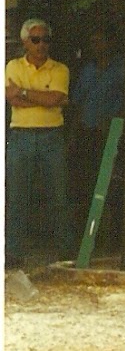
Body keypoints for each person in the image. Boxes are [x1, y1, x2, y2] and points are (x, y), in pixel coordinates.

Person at [5, 18, 72, 265]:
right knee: (17, 195)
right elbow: (12, 99)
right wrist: (45, 99)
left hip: (51, 135)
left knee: (59, 195)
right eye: (35, 40)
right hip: (21, 135)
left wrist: (24, 92)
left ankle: (65, 251)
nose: (41, 44)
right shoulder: (12, 66)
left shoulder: (60, 69)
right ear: (25, 42)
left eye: (45, 40)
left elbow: (55, 98)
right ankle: (14, 253)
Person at [67, 28, 125, 230]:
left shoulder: (121, 67)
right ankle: (90, 231)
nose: (97, 46)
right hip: (88, 133)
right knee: (88, 182)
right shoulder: (87, 70)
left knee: (112, 183)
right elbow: (78, 102)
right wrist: (73, 134)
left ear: (110, 42)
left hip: (113, 133)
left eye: (101, 41)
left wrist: (113, 121)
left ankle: (114, 232)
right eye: (93, 42)